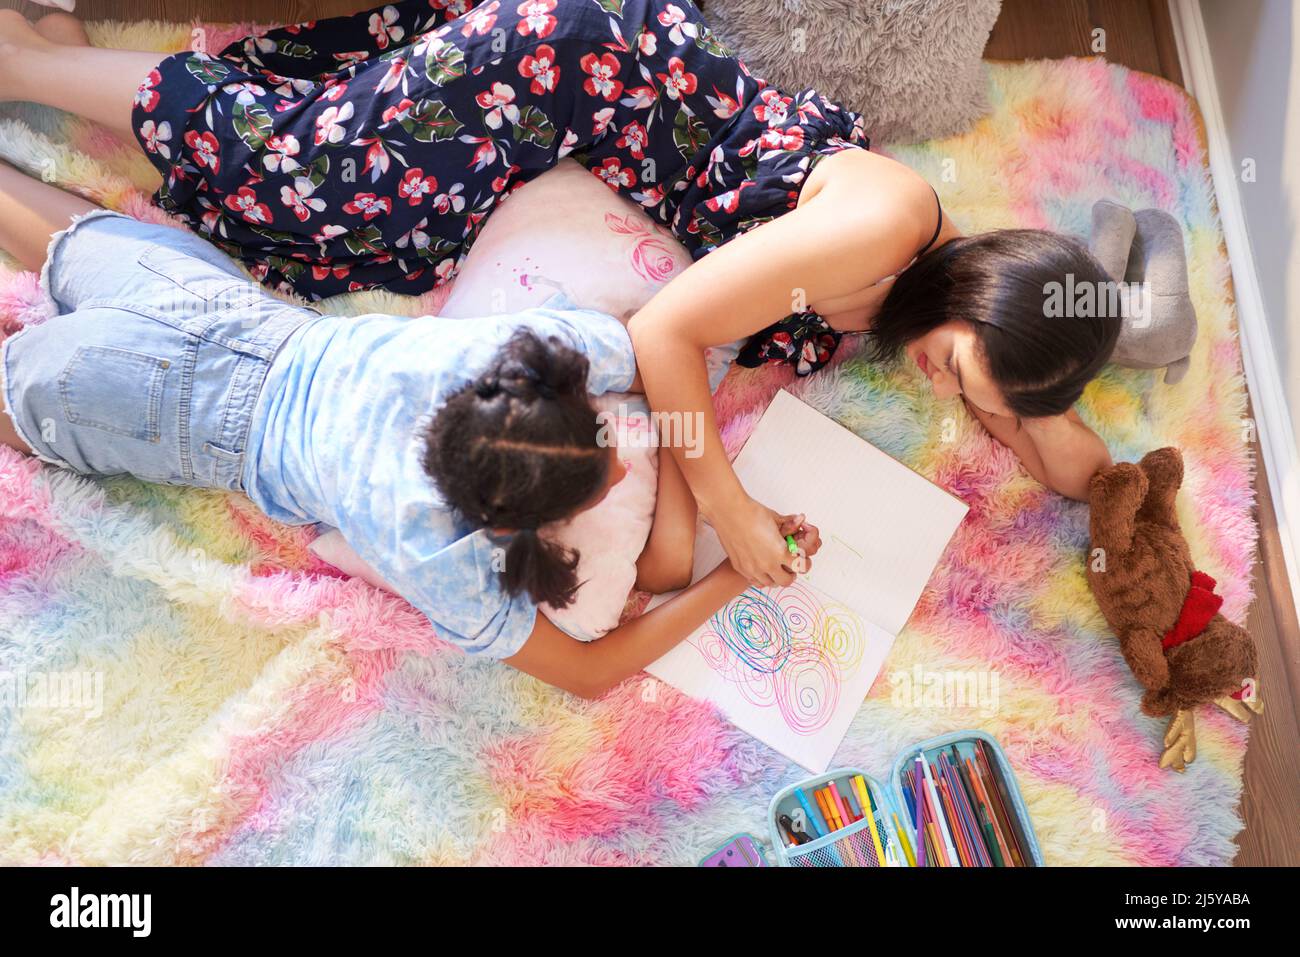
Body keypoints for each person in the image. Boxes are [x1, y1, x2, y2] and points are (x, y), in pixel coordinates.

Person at [0, 3, 1118, 593]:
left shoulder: (947, 304)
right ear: (976, 293)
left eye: (978, 397)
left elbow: (1040, 414)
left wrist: (1052, 427)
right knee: (302, 174)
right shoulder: (882, 228)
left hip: (583, 130)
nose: (950, 391)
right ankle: (23, 63)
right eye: (963, 373)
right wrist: (723, 505)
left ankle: (57, 50)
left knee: (347, 251)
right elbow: (669, 332)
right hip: (565, 69)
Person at [0, 160, 821, 698]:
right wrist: (736, 576)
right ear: (501, 525)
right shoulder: (438, 549)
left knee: (68, 238)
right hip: (162, 411)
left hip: (215, 312)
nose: (621, 465)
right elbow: (594, 671)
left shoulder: (510, 356)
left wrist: (721, 510)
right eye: (609, 461)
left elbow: (654, 347)